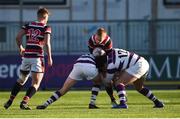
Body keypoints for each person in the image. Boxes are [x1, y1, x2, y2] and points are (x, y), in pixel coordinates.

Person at [4, 7, 52, 110]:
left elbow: (18, 37)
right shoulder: (46, 27)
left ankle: (10, 100)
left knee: (21, 80)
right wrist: (50, 57)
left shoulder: (28, 25)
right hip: (37, 58)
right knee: (36, 83)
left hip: (26, 57)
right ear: (44, 16)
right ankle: (24, 102)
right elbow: (47, 43)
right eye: (47, 17)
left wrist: (21, 47)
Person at [36, 50, 107, 109]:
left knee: (63, 89)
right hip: (89, 66)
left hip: (77, 66)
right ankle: (92, 103)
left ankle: (45, 104)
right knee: (98, 82)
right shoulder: (100, 57)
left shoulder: (86, 54)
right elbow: (102, 67)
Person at [88, 28, 117, 108]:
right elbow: (91, 53)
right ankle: (92, 103)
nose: (98, 41)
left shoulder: (108, 41)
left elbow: (109, 55)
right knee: (97, 81)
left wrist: (105, 68)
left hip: (105, 61)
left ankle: (115, 98)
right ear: (95, 35)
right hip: (95, 60)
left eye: (100, 40)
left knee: (109, 81)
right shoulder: (91, 40)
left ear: (104, 38)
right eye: (97, 39)